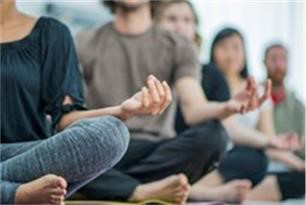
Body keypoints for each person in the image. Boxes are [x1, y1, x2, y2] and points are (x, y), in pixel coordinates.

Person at [76, 0, 271, 204]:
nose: (180, 24)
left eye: (187, 20)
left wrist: (227, 107)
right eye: (173, 18)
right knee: (58, 145)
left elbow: (193, 108)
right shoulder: (83, 42)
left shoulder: (179, 45)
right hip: (103, 146)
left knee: (214, 136)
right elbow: (68, 115)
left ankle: (109, 186)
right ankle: (144, 190)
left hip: (157, 151)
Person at [0, 0, 172, 204]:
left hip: (31, 155)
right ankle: (16, 195)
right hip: (31, 178)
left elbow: (64, 119)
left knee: (111, 132)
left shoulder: (52, 33)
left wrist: (124, 110)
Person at [153, 1, 303, 203]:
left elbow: (254, 135)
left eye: (236, 48)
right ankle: (198, 192)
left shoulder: (222, 79)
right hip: (188, 151)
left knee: (255, 158)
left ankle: (213, 193)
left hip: (226, 157)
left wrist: (289, 155)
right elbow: (195, 115)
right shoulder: (201, 75)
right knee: (214, 136)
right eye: (171, 19)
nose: (230, 54)